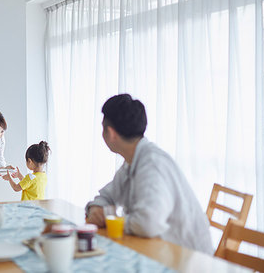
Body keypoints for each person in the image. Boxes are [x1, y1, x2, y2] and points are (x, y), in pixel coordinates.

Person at [85, 94, 213, 254]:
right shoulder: (132, 162)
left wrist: (110, 220)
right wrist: (96, 208)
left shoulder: (152, 164)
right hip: (162, 251)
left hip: (188, 260)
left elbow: (148, 223)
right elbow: (108, 195)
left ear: (110, 133)